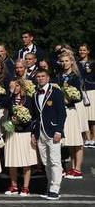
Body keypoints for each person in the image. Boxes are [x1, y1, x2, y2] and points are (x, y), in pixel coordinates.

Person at [31, 68, 66, 201]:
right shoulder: (35, 94)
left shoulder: (56, 92)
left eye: (42, 76)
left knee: (55, 161)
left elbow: (62, 113)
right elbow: (35, 116)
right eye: (38, 76)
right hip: (40, 132)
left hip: (53, 132)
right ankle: (50, 186)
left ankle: (55, 189)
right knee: (46, 162)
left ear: (48, 77)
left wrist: (59, 131)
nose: (40, 78)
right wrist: (34, 133)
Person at [3, 79, 36, 196]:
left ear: (21, 86)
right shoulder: (10, 99)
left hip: (25, 133)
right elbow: (3, 103)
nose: (15, 88)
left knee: (26, 162)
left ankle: (26, 187)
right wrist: (11, 93)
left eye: (17, 86)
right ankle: (14, 186)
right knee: (13, 161)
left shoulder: (29, 99)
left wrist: (25, 123)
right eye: (13, 86)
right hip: (13, 133)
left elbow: (33, 116)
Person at [57, 51, 84, 179]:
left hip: (73, 109)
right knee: (69, 141)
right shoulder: (59, 76)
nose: (64, 63)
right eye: (62, 61)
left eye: (66, 61)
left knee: (76, 141)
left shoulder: (75, 76)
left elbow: (78, 95)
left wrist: (69, 99)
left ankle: (77, 169)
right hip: (62, 111)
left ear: (71, 61)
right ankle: (72, 168)